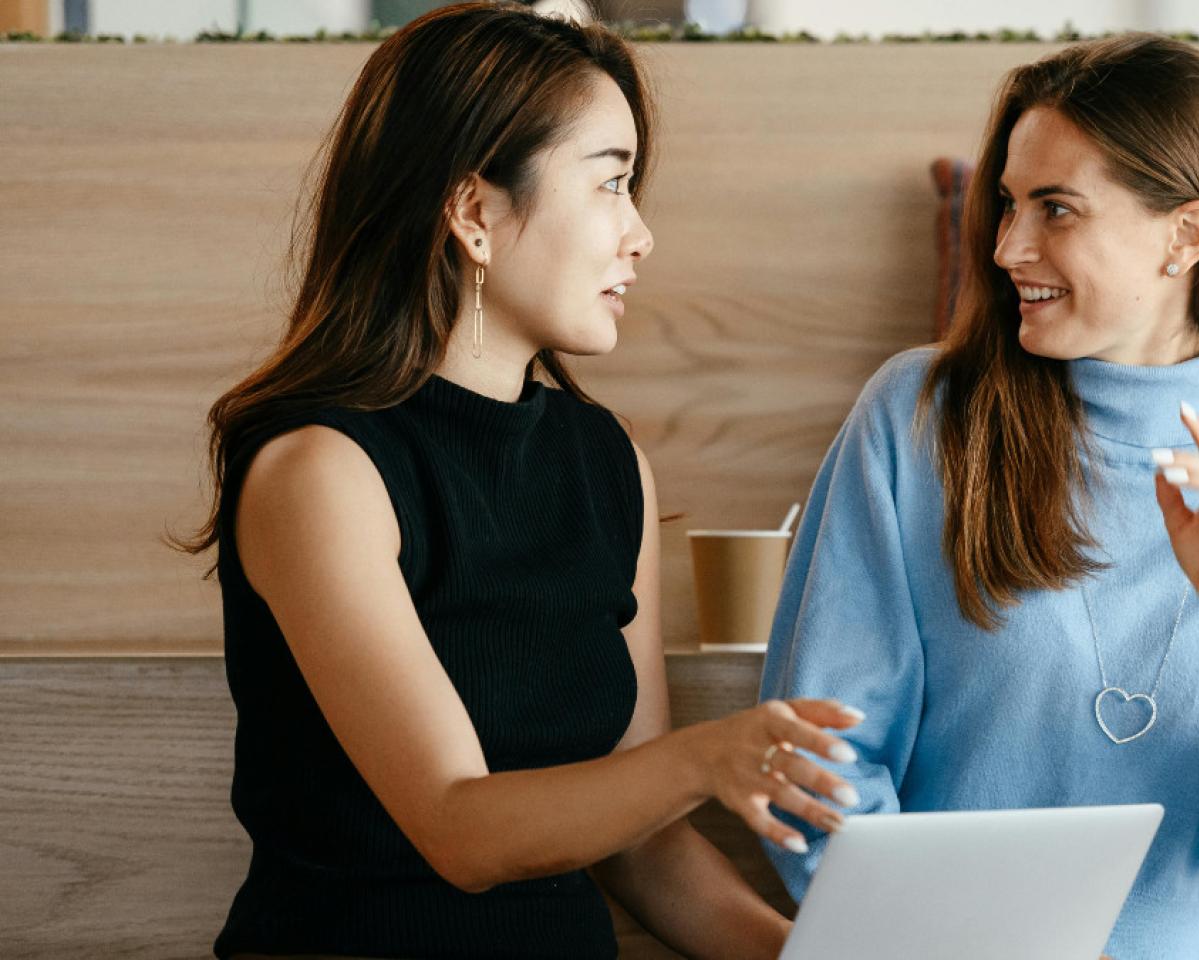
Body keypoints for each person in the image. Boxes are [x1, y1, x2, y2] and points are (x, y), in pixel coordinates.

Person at [171, 5, 859, 957]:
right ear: (474, 213)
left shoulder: (607, 461)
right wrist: (705, 756)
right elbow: (460, 830)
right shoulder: (322, 471)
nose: (641, 235)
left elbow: (645, 852)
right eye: (611, 184)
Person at [760, 34, 1199, 959]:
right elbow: (812, 763)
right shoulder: (919, 416)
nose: (1005, 247)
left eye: (1055, 209)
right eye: (1007, 205)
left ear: (1185, 237)